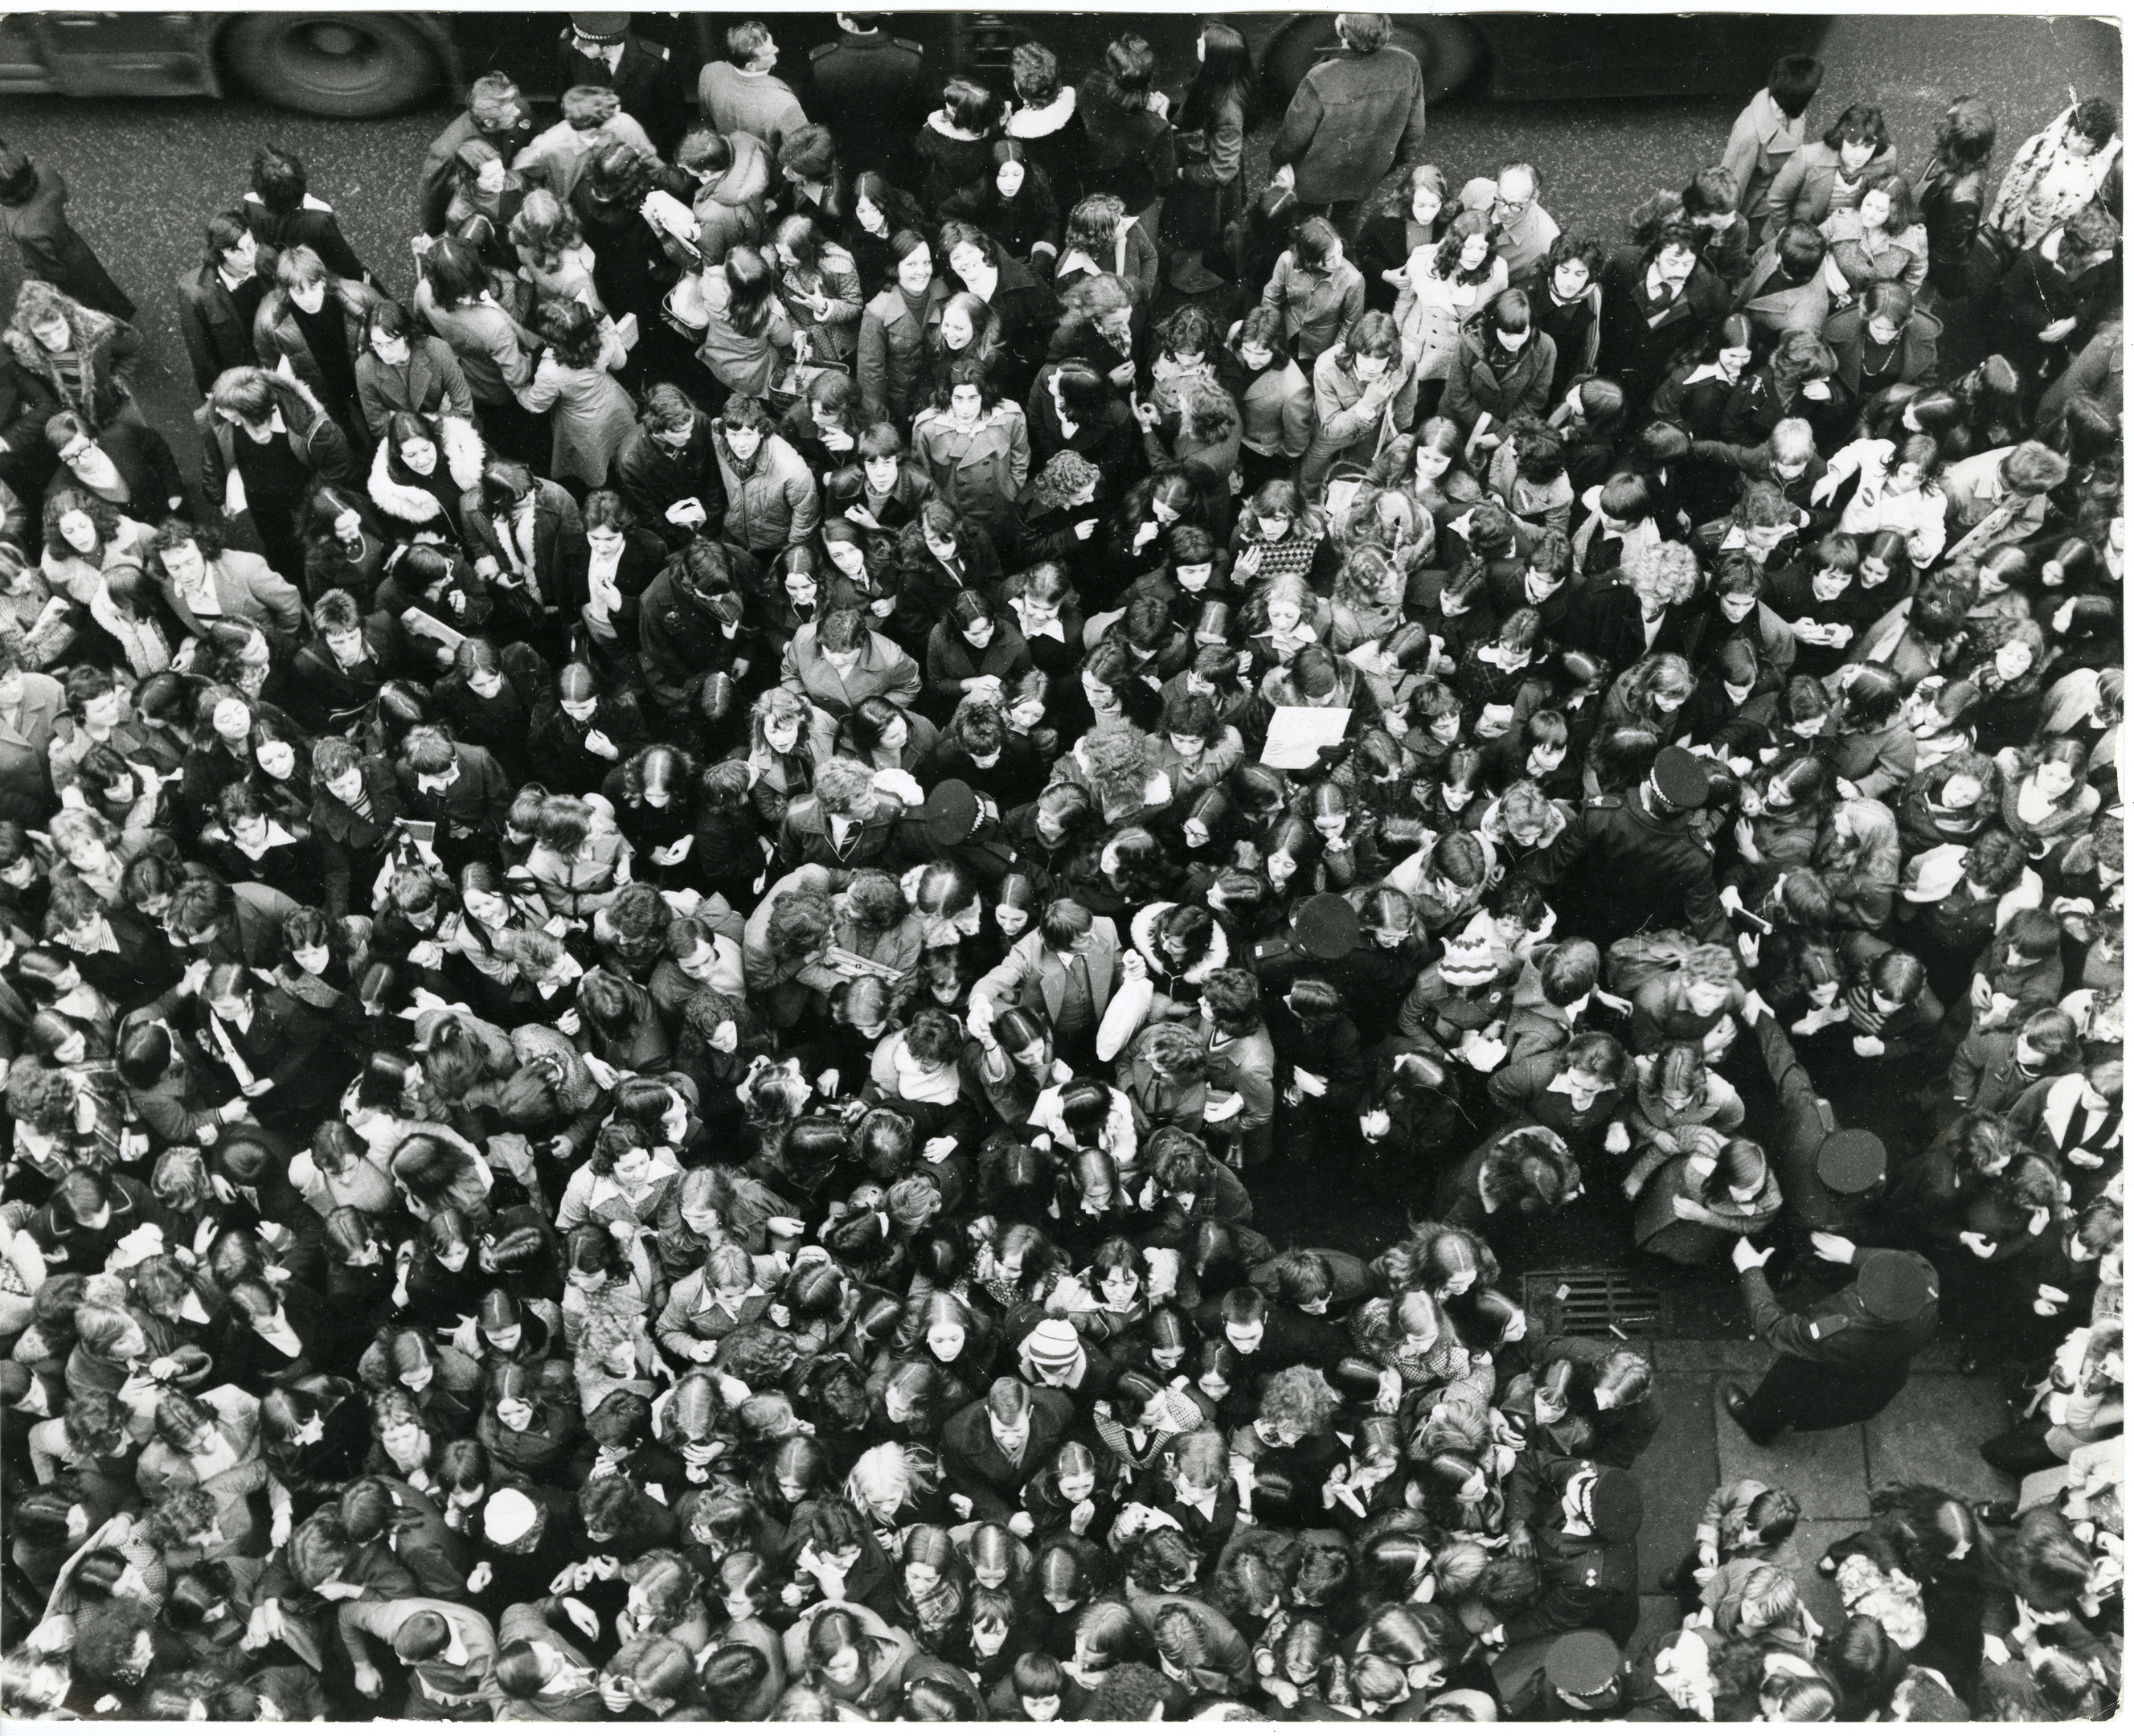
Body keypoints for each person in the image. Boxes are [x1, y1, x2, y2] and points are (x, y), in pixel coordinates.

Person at [1722, 1235, 1941, 1444]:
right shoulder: (1926, 1282)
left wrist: (1750, 1272)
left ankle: (1757, 1426)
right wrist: (1854, 1254)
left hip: (1828, 1375)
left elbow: (1776, 1330)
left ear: (1866, 1304)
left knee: (1782, 1396)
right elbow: (1910, 1263)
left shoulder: (1837, 1331)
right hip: (1882, 1376)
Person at [1267, 12, 1427, 231]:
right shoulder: (1407, 63)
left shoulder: (1321, 75)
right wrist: (1393, 163)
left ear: (1343, 30)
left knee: (1310, 226)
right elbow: (1415, 128)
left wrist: (1277, 160)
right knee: (1347, 222)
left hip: (1314, 179)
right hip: (1366, 171)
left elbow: (1294, 135)